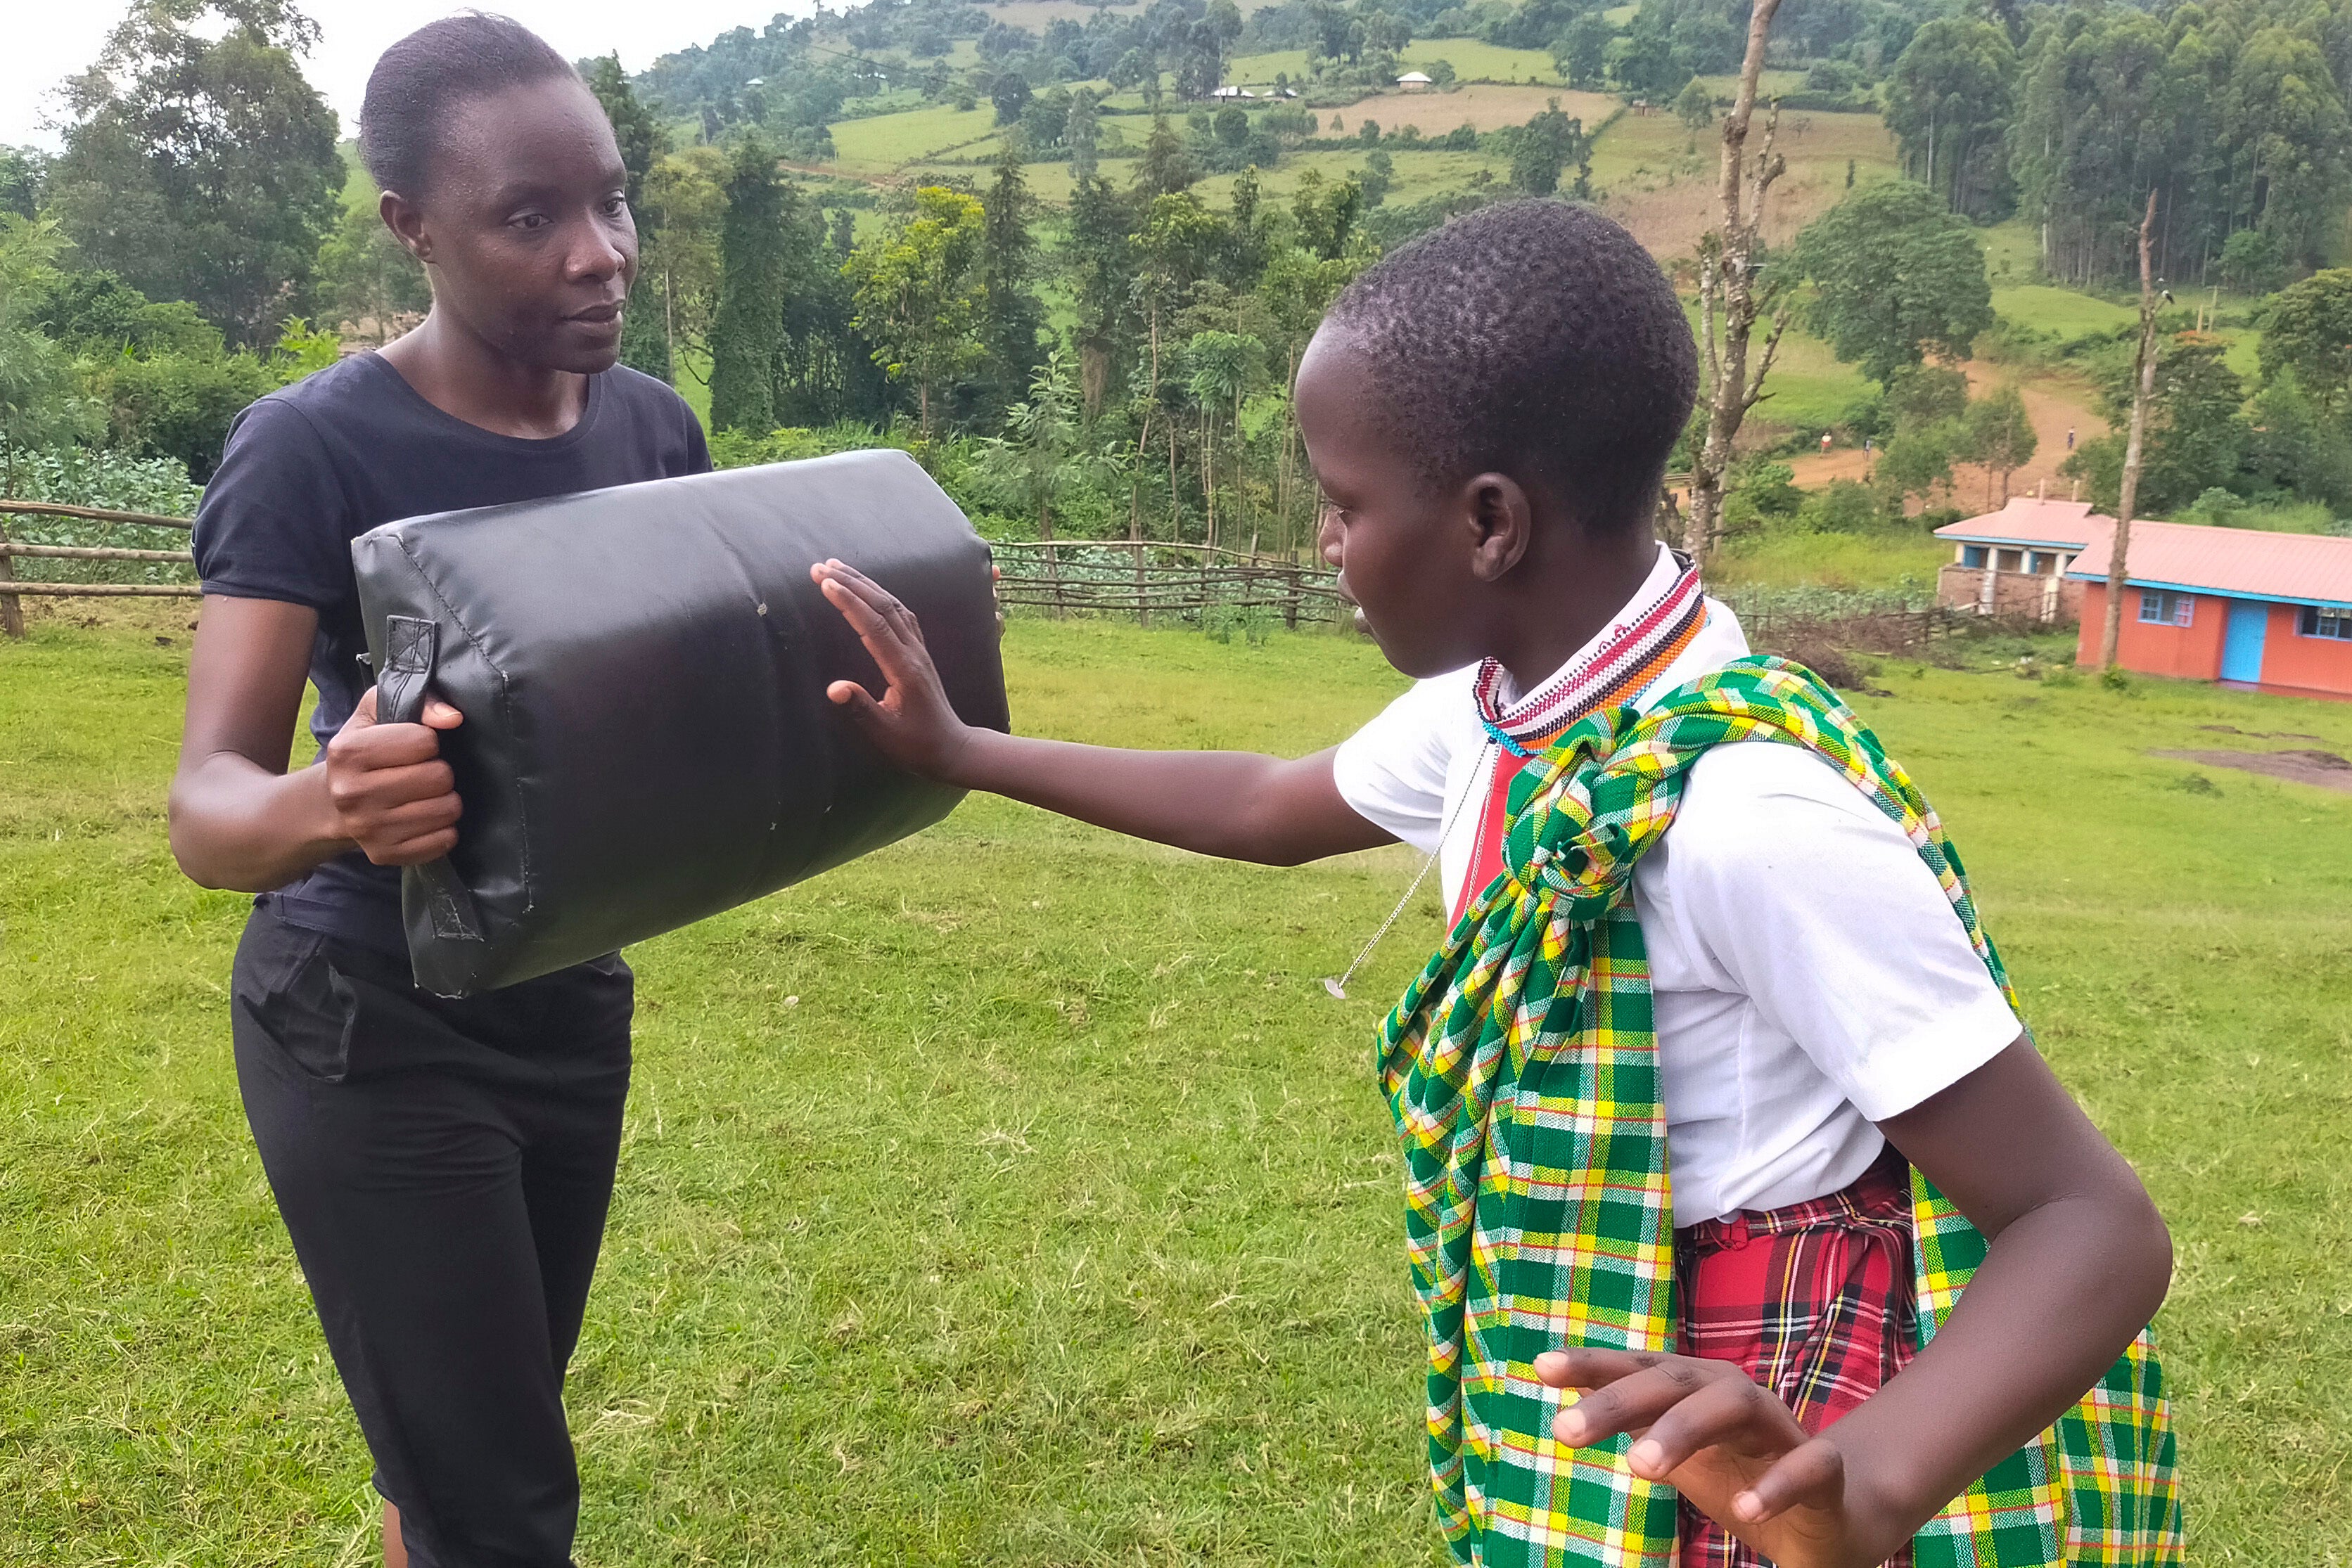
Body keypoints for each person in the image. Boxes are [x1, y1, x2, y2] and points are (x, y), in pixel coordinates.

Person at [811, 201, 2180, 1567]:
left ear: (1488, 523)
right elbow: (1264, 804)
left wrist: (1864, 1482)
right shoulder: (1505, 714)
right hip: (1624, 1335)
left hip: (1783, 1390)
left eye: (1345, 505)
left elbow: (2088, 1222)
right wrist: (964, 750)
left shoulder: (1739, 812)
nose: (1327, 547)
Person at [168, 17, 708, 1567]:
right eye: (527, 219)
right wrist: (338, 800)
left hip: (564, 996)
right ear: (411, 225)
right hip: (366, 1023)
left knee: (471, 1453)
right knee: (505, 1505)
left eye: (609, 201)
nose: (598, 254)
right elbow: (210, 809)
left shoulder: (652, 430)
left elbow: (680, 710)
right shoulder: (313, 448)